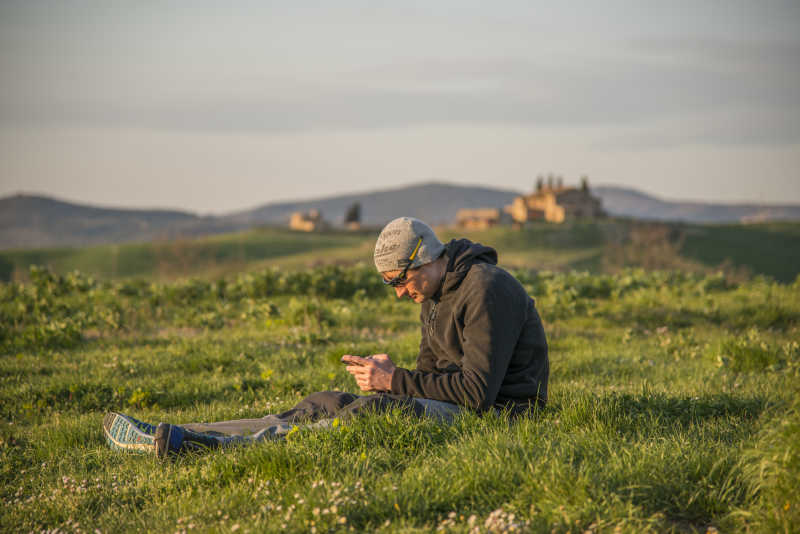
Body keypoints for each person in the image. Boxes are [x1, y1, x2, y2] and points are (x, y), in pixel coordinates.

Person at [103, 217, 549, 457]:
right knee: (327, 403)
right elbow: (433, 375)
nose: (398, 294)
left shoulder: (486, 289)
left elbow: (476, 394)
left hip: (500, 417)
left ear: (423, 259)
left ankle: (210, 449)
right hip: (457, 405)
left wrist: (392, 382)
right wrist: (391, 378)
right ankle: (179, 433)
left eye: (398, 281)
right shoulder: (433, 296)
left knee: (373, 410)